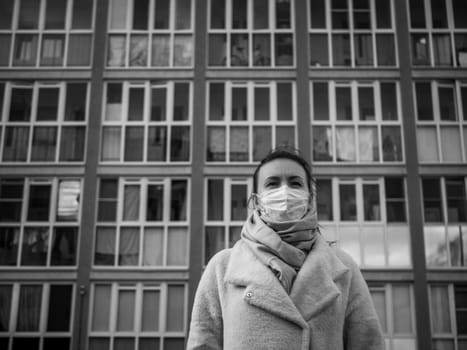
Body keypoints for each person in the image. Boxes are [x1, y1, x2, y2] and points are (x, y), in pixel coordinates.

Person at [187, 146, 384, 350]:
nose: (285, 191)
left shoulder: (343, 268)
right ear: (256, 201)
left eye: (295, 183)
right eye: (272, 184)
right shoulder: (222, 267)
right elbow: (202, 344)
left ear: (310, 198)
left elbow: (368, 343)